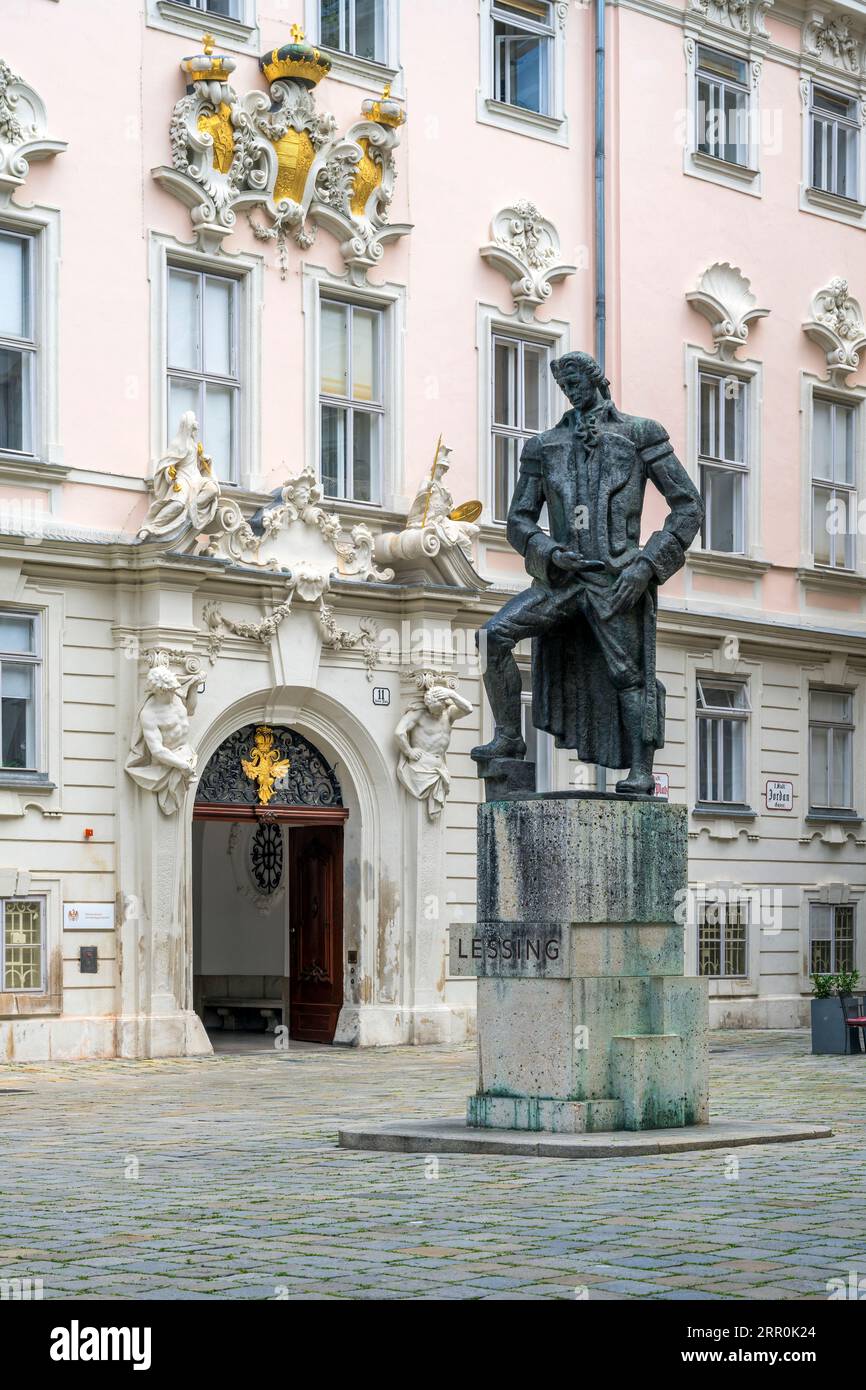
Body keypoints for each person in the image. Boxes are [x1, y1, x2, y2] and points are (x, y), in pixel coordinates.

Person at [471, 351, 703, 794]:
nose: (570, 392)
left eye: (576, 383)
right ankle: (509, 737)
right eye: (564, 386)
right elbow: (519, 519)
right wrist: (548, 552)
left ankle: (640, 770)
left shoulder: (639, 433)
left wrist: (648, 564)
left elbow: (687, 505)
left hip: (617, 578)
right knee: (491, 637)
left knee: (629, 675)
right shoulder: (543, 446)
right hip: (560, 579)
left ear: (596, 380)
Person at [138, 412, 221, 540]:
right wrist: (169, 475)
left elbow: (197, 464)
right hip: (183, 478)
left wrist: (205, 460)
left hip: (196, 478)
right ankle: (150, 527)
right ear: (189, 427)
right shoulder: (178, 444)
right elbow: (166, 464)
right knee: (177, 504)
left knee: (213, 489)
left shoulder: (195, 445)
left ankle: (192, 509)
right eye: (194, 429)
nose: (196, 432)